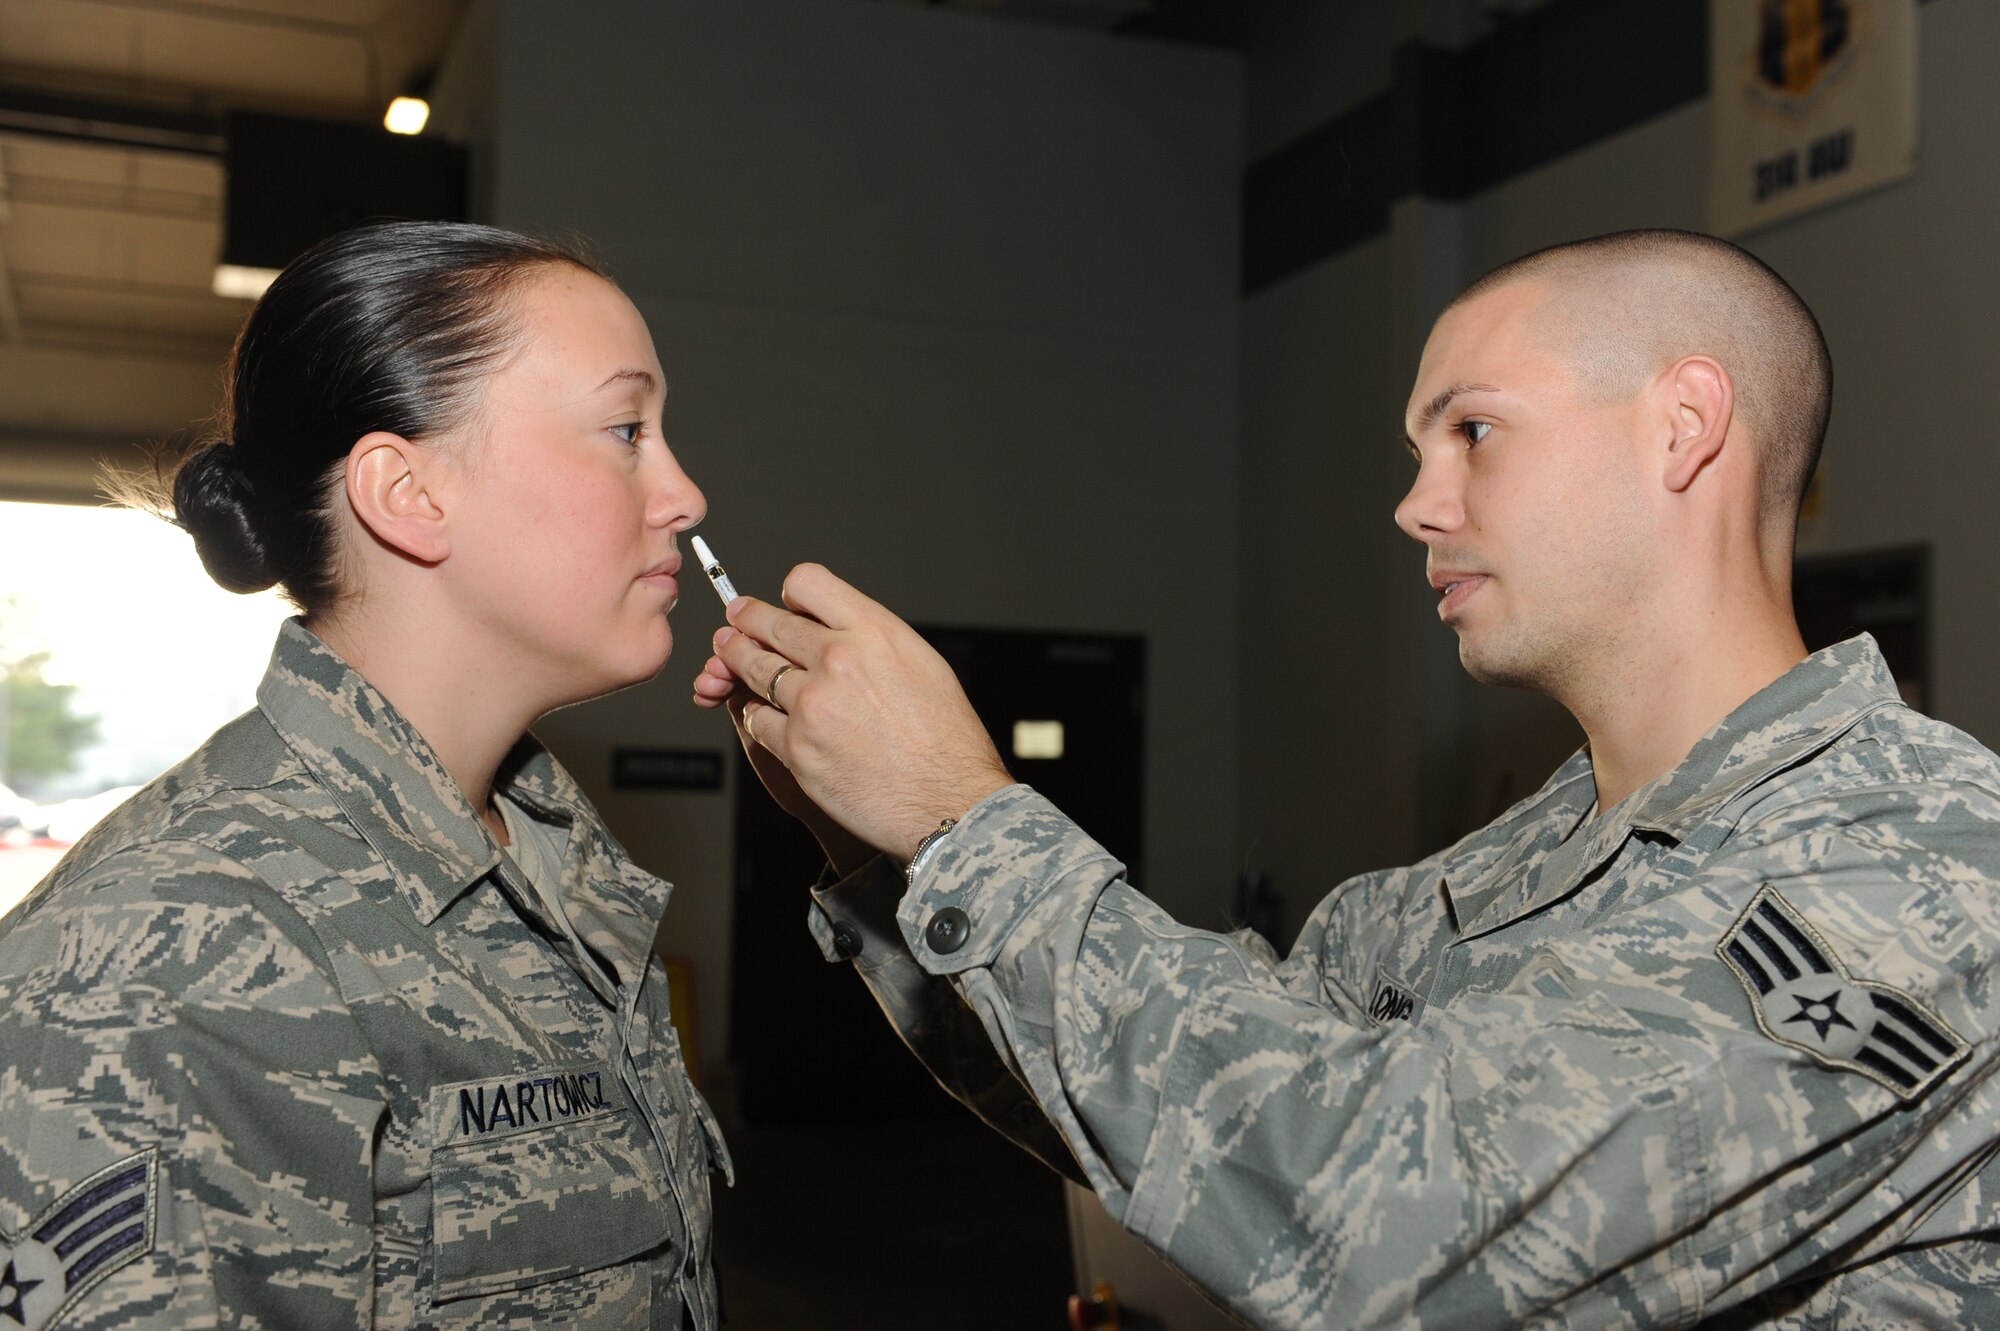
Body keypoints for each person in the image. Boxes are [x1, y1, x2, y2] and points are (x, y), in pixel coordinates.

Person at [694, 230, 2000, 1328]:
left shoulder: (1918, 861)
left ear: (1684, 426)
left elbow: (1389, 1220)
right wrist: (891, 852)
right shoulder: (1478, 878)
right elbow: (1205, 1127)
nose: (1417, 505)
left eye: (1474, 431)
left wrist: (964, 819)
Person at [0, 222, 727, 1329]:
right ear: (408, 493)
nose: (682, 495)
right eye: (625, 428)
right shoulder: (165, 965)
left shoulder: (553, 864)